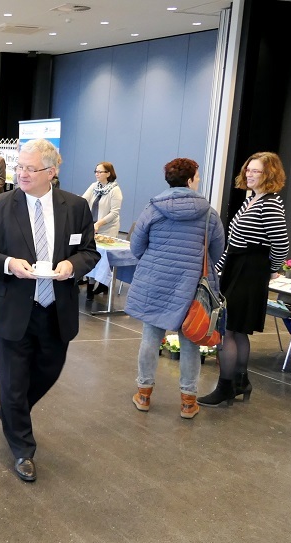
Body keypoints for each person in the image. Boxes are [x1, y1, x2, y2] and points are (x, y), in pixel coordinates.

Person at [0, 139, 99, 483]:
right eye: (19, 167)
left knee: (48, 372)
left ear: (51, 171)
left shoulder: (75, 206)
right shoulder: (0, 205)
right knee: (13, 384)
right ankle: (23, 449)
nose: (22, 174)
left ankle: (11, 413)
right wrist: (10, 263)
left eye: (31, 168)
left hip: (57, 309)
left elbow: (89, 252)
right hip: (15, 309)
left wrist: (72, 267)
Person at [125, 158, 225, 418]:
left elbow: (136, 246)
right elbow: (216, 251)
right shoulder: (208, 213)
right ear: (190, 180)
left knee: (150, 338)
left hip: (155, 282)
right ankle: (188, 402)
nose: (199, 180)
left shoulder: (153, 208)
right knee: (191, 341)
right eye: (198, 176)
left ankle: (144, 395)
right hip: (192, 286)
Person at [198, 152, 290, 407]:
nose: (249, 174)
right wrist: (217, 269)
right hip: (237, 266)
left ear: (269, 174)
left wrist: (269, 270)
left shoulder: (269, 203)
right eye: (248, 169)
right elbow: (234, 242)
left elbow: (281, 245)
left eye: (256, 171)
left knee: (227, 328)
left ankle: (225, 386)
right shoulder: (252, 199)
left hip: (250, 270)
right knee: (236, 330)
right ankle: (241, 382)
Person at [81, 161, 123, 299]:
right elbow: (83, 200)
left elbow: (114, 213)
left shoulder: (115, 190)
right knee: (91, 253)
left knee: (102, 256)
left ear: (108, 174)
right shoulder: (94, 187)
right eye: (96, 171)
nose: (97, 174)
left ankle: (104, 283)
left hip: (107, 227)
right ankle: (90, 286)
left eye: (100, 172)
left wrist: (99, 223)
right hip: (92, 226)